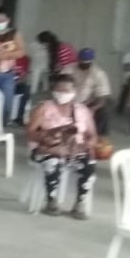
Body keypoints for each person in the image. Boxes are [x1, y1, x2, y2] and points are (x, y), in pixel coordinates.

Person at [26, 75, 97, 219]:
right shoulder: (44, 108)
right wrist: (51, 142)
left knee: (89, 164)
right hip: (47, 149)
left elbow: (92, 135)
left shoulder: (82, 110)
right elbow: (30, 132)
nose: (62, 94)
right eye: (59, 90)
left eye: (66, 91)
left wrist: (86, 145)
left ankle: (80, 203)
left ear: (74, 91)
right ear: (53, 90)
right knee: (53, 163)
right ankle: (51, 200)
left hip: (75, 149)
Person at [72, 48, 112, 136]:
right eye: (82, 61)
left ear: (91, 61)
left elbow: (103, 96)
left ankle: (97, 135)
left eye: (87, 62)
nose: (84, 64)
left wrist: (93, 108)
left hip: (88, 103)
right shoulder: (69, 69)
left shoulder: (99, 73)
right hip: (69, 101)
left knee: (104, 110)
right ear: (78, 59)